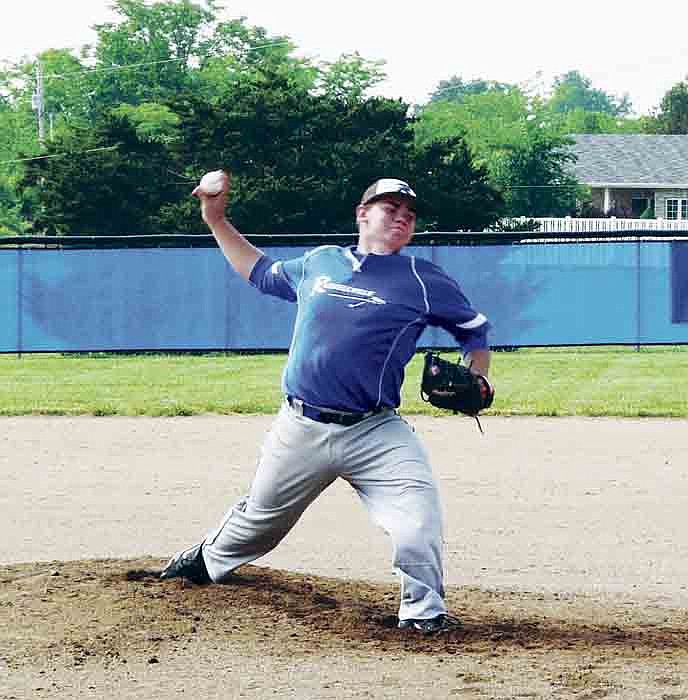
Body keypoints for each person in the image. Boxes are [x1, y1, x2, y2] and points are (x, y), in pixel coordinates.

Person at [160, 174, 492, 635]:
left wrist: (478, 376)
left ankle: (424, 615)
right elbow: (259, 271)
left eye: (409, 214)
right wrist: (215, 219)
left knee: (417, 523)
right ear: (362, 214)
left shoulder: (423, 279)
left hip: (375, 432)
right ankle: (203, 561)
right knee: (259, 524)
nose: (401, 217)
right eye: (389, 208)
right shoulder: (321, 262)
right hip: (301, 427)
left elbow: (474, 331)